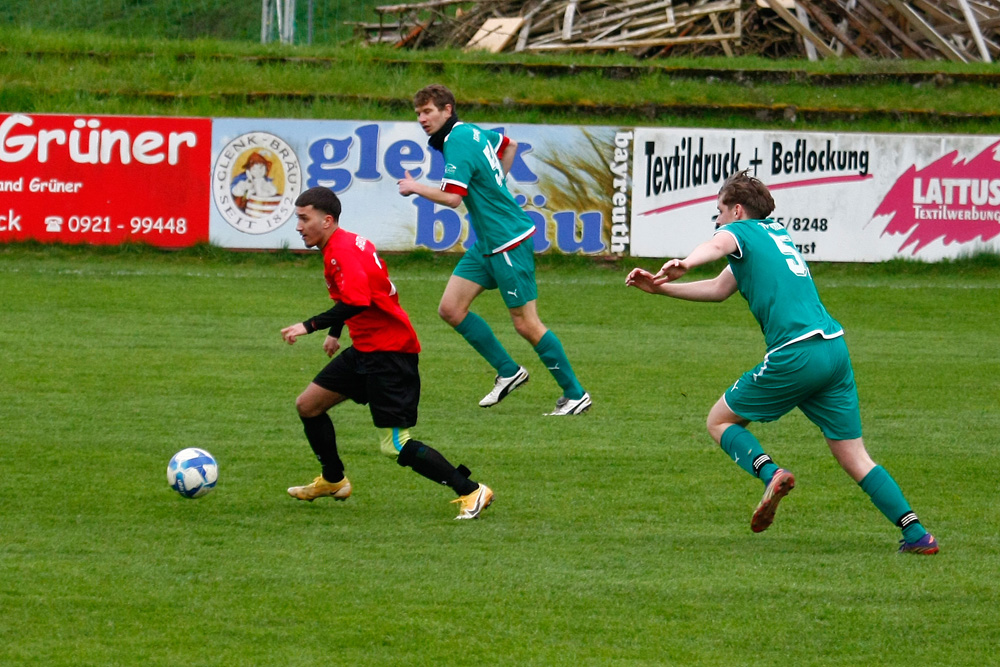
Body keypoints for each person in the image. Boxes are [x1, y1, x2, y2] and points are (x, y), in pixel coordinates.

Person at [625, 170, 938, 554]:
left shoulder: (740, 232)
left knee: (719, 420)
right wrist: (660, 289)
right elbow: (720, 288)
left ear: (737, 210)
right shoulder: (777, 235)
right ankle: (917, 534)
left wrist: (686, 262)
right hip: (834, 350)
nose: (718, 219)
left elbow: (719, 243)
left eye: (720, 211)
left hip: (797, 353)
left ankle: (772, 473)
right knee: (855, 455)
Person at [280, 186, 493, 520]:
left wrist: (308, 326)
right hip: (367, 348)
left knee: (393, 445)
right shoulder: (346, 243)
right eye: (298, 218)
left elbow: (358, 300)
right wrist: (336, 333)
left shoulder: (341, 252)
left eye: (304, 219)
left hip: (390, 354)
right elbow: (355, 294)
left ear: (327, 220)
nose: (299, 226)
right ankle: (334, 480)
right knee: (308, 405)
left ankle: (471, 490)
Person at [396, 83, 590, 416]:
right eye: (418, 113)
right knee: (451, 309)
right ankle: (508, 371)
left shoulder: (456, 140)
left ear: (447, 109)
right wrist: (496, 181)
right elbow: (508, 144)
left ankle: (575, 395)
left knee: (526, 324)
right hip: (488, 241)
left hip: (507, 241)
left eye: (427, 111)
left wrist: (415, 187)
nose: (422, 119)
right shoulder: (468, 132)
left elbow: (453, 198)